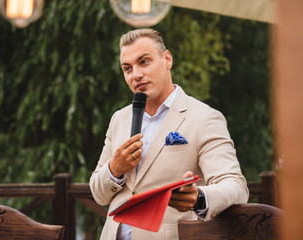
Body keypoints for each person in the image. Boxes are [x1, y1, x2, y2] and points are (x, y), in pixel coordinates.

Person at [89, 28, 249, 240]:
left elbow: (236, 186)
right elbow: (99, 195)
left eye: (144, 61)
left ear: (167, 59)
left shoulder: (204, 118)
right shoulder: (119, 119)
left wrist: (199, 197)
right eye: (127, 68)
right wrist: (114, 169)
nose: (136, 74)